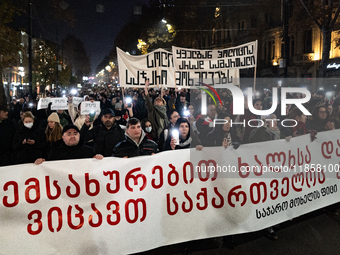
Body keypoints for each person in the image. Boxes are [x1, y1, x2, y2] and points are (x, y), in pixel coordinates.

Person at [35, 124, 103, 164]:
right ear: (63, 137)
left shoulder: (89, 151)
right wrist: (42, 163)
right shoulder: (55, 152)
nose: (72, 136)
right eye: (69, 134)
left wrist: (99, 159)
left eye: (75, 133)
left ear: (79, 136)